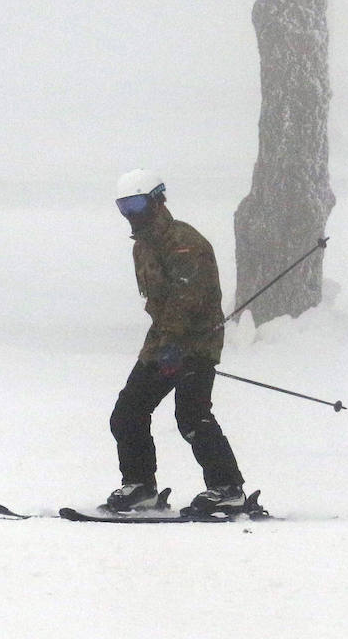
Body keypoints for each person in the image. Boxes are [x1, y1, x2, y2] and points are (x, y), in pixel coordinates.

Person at [106, 169, 247, 514]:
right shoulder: (143, 247)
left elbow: (189, 298)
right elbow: (160, 304)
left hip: (196, 342)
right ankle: (140, 486)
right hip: (163, 341)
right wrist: (162, 344)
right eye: (124, 207)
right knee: (127, 413)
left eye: (137, 204)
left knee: (192, 416)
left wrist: (175, 345)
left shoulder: (184, 243)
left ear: (157, 200)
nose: (131, 215)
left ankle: (227, 489)